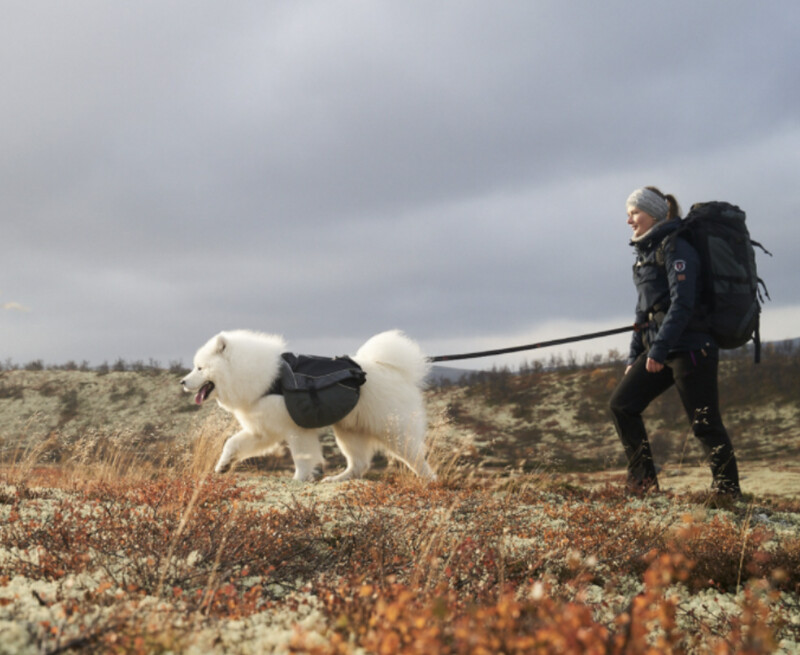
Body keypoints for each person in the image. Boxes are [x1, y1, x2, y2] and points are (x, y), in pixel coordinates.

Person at [609, 186, 741, 498]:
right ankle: (643, 484)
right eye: (628, 214)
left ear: (653, 214)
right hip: (663, 347)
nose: (629, 220)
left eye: (634, 213)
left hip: (692, 348)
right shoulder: (645, 254)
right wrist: (633, 357)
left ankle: (728, 491)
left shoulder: (677, 247)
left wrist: (658, 349)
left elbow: (683, 305)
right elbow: (642, 313)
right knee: (622, 405)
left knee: (704, 422)